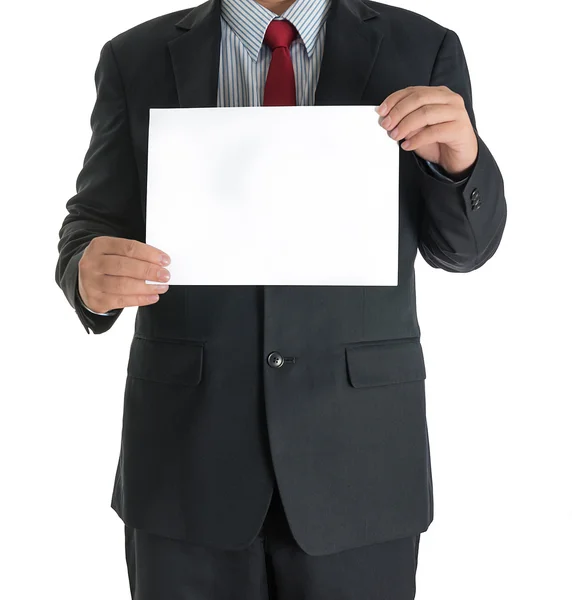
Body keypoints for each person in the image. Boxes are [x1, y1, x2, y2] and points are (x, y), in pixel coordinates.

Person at [55, 0, 507, 598]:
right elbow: (91, 221)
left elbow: (463, 250)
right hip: (186, 462)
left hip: (359, 462)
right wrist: (85, 268)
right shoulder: (134, 56)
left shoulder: (422, 47)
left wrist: (462, 162)